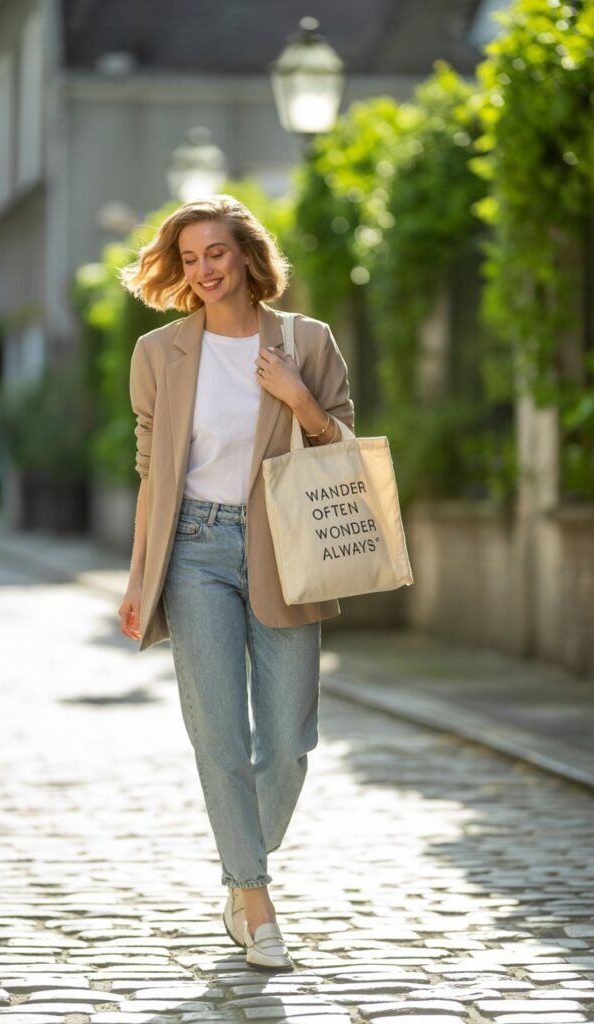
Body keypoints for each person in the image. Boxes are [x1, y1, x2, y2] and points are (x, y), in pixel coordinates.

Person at [117, 194, 354, 972]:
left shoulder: (307, 342)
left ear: (249, 256)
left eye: (215, 253)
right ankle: (253, 902)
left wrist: (299, 398)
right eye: (188, 259)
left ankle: (239, 860)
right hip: (191, 549)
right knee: (218, 734)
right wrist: (137, 573)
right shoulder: (159, 353)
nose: (203, 270)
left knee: (288, 741)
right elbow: (152, 473)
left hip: (283, 547)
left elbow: (345, 444)